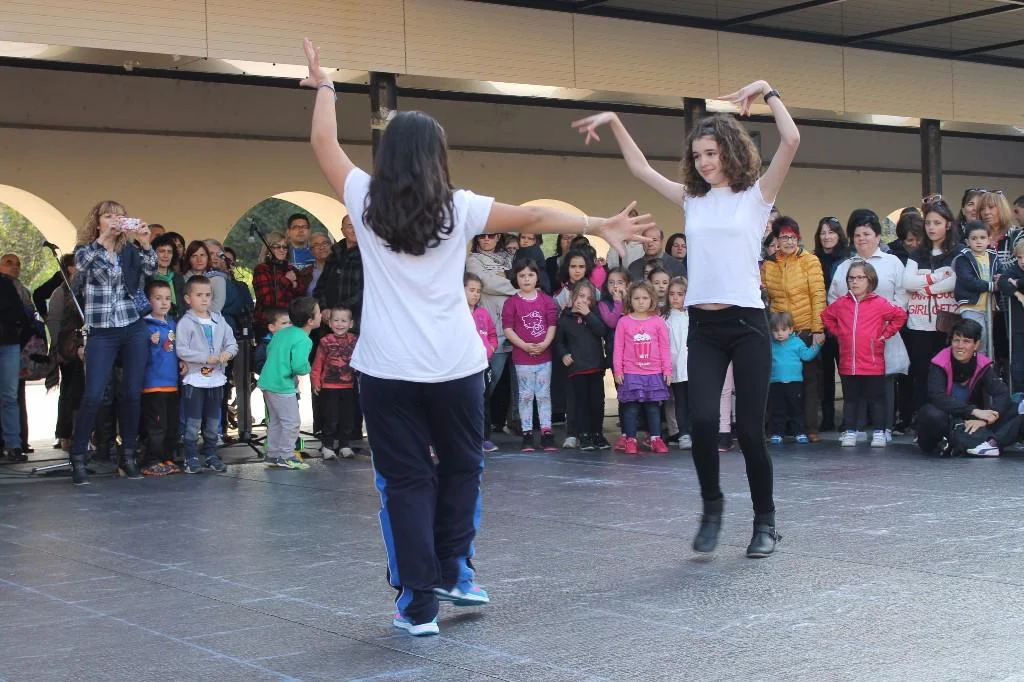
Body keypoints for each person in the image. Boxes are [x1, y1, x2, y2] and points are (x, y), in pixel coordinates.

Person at [300, 37, 651, 636]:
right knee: (462, 469)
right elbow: (534, 217)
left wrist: (327, 86)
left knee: (405, 484)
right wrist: (598, 223)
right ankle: (456, 569)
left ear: (388, 156)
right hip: (456, 366)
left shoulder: (364, 197)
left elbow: (323, 145)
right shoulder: (458, 208)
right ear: (436, 158)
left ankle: (419, 604)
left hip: (387, 371)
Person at [574, 76, 799, 557]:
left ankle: (765, 521)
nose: (704, 162)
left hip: (747, 324)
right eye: (697, 156)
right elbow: (640, 169)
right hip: (704, 327)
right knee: (701, 421)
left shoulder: (757, 196)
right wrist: (613, 120)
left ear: (731, 152)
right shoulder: (692, 199)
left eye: (711, 153)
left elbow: (792, 139)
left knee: (749, 431)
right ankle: (712, 508)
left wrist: (767, 90)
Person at [68, 201, 155, 484]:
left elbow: (150, 270)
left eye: (120, 216)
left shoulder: (128, 250)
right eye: (108, 216)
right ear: (97, 223)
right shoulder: (86, 250)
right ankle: (78, 457)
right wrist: (103, 239)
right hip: (103, 330)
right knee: (93, 394)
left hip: (132, 326)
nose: (115, 220)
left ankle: (128, 455)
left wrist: (145, 243)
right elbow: (80, 268)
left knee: (132, 393)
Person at [829, 209, 910, 438]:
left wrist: (887, 321)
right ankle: (856, 427)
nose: (861, 239)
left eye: (866, 234)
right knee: (855, 381)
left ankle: (884, 428)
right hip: (854, 336)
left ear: (877, 236)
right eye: (857, 235)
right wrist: (844, 327)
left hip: (884, 332)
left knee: (884, 381)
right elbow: (834, 298)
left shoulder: (892, 262)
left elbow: (902, 294)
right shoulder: (845, 266)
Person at [821, 262, 908, 448]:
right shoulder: (841, 304)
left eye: (860, 277)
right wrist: (839, 333)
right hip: (848, 362)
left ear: (870, 280)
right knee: (851, 399)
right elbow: (826, 316)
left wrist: (885, 334)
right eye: (851, 278)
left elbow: (900, 316)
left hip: (873, 361)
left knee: (877, 399)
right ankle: (850, 431)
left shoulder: (879, 303)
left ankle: (879, 432)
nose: (855, 282)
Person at [760, 216, 827, 442]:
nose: (788, 241)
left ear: (798, 238)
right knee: (778, 381)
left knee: (809, 382)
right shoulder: (769, 265)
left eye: (792, 237)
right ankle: (779, 428)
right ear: (776, 240)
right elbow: (764, 297)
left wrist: (818, 328)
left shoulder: (810, 261)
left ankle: (809, 428)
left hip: (805, 328)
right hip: (779, 331)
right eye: (783, 237)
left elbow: (818, 295)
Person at [916, 318, 1020, 457]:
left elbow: (1002, 393)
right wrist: (974, 411)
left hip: (971, 421)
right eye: (956, 340)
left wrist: (986, 419)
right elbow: (938, 397)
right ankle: (961, 442)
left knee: (1015, 408)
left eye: (966, 341)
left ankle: (974, 442)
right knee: (931, 414)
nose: (960, 346)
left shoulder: (982, 364)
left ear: (976, 345)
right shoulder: (939, 362)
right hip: (946, 419)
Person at [903, 198, 959, 418]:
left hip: (946, 323)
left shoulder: (957, 252)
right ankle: (922, 419)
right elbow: (907, 282)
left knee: (946, 373)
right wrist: (936, 277)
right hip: (919, 324)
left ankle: (948, 418)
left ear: (948, 224)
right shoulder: (917, 253)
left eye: (937, 223)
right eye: (928, 223)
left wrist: (924, 287)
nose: (931, 228)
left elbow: (953, 282)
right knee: (921, 373)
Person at [175, 275, 236, 473]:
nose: (204, 299)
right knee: (193, 421)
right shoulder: (186, 322)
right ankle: (191, 456)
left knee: (213, 420)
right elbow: (181, 349)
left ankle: (210, 454)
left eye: (208, 295)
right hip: (194, 379)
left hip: (216, 379)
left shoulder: (220, 320)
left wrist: (227, 353)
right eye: (199, 295)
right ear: (188, 298)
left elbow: (232, 343)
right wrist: (204, 358)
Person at [503, 260, 559, 452]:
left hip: (544, 357)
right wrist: (525, 346)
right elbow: (508, 329)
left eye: (530, 275)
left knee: (543, 395)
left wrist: (545, 344)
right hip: (522, 358)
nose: (526, 279)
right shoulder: (511, 302)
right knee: (525, 395)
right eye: (522, 275)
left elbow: (552, 325)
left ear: (537, 277)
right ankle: (527, 433)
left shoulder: (547, 300)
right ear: (516, 278)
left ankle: (546, 433)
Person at [258, 295, 320, 469]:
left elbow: (270, 349)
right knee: (291, 422)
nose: (321, 315)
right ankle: (286, 455)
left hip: (268, 381)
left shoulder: (283, 333)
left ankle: (273, 454)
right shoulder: (303, 339)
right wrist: (307, 369)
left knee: (276, 421)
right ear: (310, 321)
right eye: (319, 312)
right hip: (282, 385)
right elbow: (299, 366)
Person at [612, 280, 671, 456]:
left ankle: (655, 438)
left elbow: (665, 347)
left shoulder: (658, 322)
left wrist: (667, 370)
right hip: (631, 373)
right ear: (630, 300)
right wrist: (618, 370)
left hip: (653, 372)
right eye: (636, 298)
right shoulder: (624, 322)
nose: (641, 302)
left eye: (645, 298)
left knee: (653, 407)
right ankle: (630, 439)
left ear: (652, 299)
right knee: (631, 407)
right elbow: (618, 348)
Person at [554, 280, 607, 451]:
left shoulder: (594, 315)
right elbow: (559, 341)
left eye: (588, 298)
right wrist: (563, 354)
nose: (584, 301)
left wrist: (588, 315)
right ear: (572, 296)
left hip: (595, 366)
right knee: (581, 402)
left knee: (597, 402)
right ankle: (583, 434)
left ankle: (597, 433)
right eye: (581, 296)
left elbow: (602, 331)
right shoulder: (565, 319)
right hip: (577, 368)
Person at [813, 216, 851, 431]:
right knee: (824, 373)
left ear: (839, 235)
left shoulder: (848, 259)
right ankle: (827, 417)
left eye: (831, 232)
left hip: (842, 322)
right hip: (821, 322)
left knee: (846, 371)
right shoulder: (813, 259)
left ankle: (849, 418)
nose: (827, 237)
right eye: (823, 233)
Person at [140, 279, 180, 476]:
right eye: (158, 298)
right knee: (156, 426)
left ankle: (166, 458)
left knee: (171, 425)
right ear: (149, 301)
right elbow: (138, 357)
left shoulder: (172, 324)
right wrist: (148, 343)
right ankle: (151, 460)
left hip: (172, 383)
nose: (164, 302)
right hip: (153, 385)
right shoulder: (145, 326)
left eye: (167, 298)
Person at [767, 311, 822, 444]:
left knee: (796, 408)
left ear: (791, 329)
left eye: (783, 330)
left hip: (794, 382)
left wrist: (817, 346)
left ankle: (799, 432)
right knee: (777, 409)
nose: (780, 333)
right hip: (776, 382)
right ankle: (777, 433)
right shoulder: (770, 345)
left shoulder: (797, 342)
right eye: (776, 331)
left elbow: (806, 356)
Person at [311, 306, 358, 460]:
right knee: (330, 418)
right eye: (336, 320)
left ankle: (345, 445)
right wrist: (315, 380)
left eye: (344, 321)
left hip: (349, 386)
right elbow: (318, 363)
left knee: (348, 417)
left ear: (351, 324)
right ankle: (327, 446)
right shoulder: (325, 341)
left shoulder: (354, 340)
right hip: (329, 387)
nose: (339, 324)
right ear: (330, 323)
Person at [0, 267, 31, 461]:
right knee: (9, 397)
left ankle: (13, 444)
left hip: (9, 343)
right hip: (9, 343)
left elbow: (20, 312)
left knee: (9, 396)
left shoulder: (6, 283)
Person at [466, 273, 498, 453]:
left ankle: (484, 438)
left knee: (483, 402)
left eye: (478, 291)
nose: (475, 294)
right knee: (464, 402)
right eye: (471, 290)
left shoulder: (483, 313)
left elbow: (492, 334)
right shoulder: (456, 314)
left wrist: (491, 348)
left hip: (483, 365)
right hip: (464, 366)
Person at [954, 221, 998, 353]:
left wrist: (1001, 278)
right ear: (967, 241)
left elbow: (1001, 273)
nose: (978, 241)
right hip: (971, 306)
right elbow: (968, 281)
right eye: (974, 238)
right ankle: (977, 363)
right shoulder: (963, 259)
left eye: (982, 238)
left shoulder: (993, 257)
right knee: (979, 335)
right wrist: (991, 285)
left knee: (989, 338)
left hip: (989, 306)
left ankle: (987, 363)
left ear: (989, 240)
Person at [254, 232, 304, 338]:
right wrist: (287, 280)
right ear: (268, 249)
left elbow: (301, 296)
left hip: (291, 323)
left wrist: (295, 286)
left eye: (285, 247)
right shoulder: (262, 269)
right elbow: (267, 300)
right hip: (268, 325)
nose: (282, 250)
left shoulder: (292, 269)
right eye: (277, 246)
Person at [665, 277, 691, 450]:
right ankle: (684, 434)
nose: (675, 298)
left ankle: (697, 432)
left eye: (680, 294)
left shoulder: (692, 317)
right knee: (680, 401)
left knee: (695, 401)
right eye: (672, 294)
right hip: (675, 367)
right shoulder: (665, 319)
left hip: (693, 366)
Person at [995, 240, 1024, 390]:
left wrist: (1018, 283)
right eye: (1019, 257)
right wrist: (1017, 294)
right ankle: (1020, 396)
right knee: (1018, 365)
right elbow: (1002, 281)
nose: (1023, 261)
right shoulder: (1014, 269)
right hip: (1019, 326)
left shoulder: (1016, 275)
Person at [182, 240, 226, 313]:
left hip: (209, 318)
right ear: (188, 259)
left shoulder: (217, 278)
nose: (199, 260)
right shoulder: (181, 279)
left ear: (208, 257)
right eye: (194, 256)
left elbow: (216, 307)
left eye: (202, 255)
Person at [149, 234, 186, 318]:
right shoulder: (147, 278)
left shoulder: (178, 278)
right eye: (161, 251)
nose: (166, 255)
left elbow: (183, 307)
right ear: (153, 253)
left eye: (169, 252)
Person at [307, 231, 333, 296]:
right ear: (311, 251)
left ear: (331, 246)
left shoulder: (343, 268)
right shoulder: (305, 273)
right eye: (316, 245)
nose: (321, 247)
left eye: (325, 243)